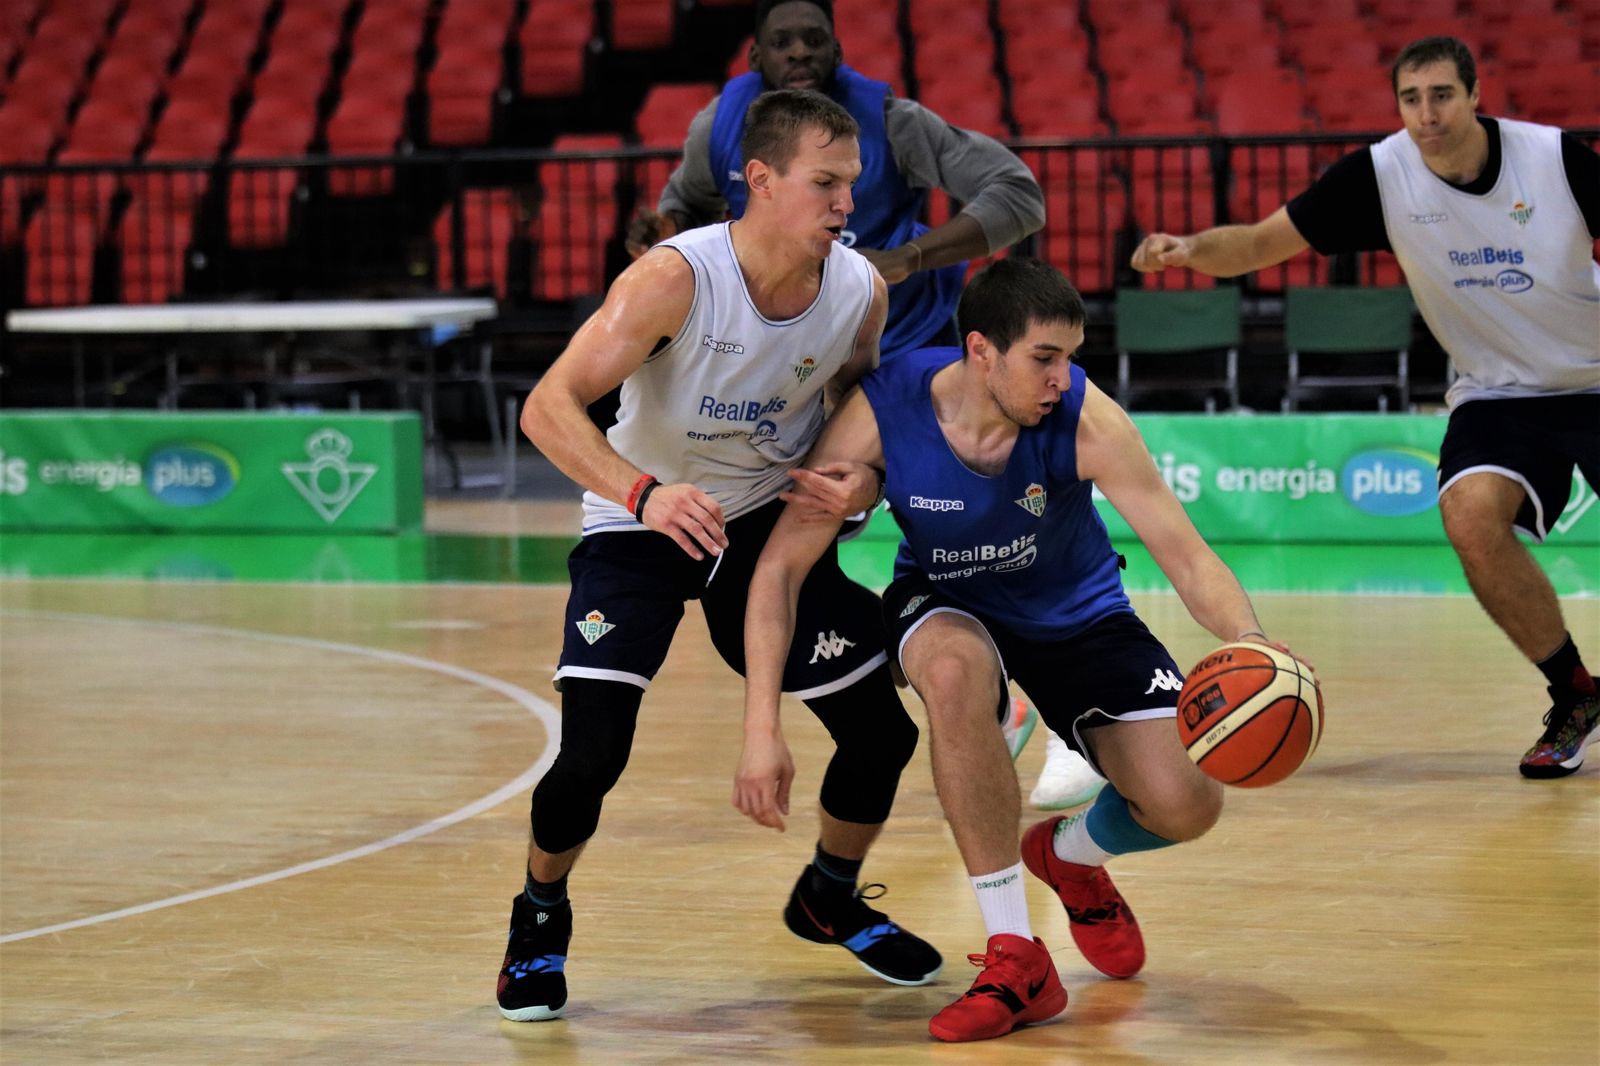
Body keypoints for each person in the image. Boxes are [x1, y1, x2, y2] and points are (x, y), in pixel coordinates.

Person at [738, 257, 1303, 1042]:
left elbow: (1186, 554)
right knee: (950, 671)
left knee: (1186, 804)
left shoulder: (1085, 416)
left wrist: (1252, 644)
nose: (1061, 378)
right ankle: (1015, 953)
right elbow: (779, 568)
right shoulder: (886, 408)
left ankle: (1070, 856)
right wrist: (760, 726)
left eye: (1071, 357)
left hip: (1080, 615)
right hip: (947, 601)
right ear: (980, 351)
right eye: (1044, 358)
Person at [499, 89, 944, 1023]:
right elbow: (545, 407)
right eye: (824, 184)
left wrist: (860, 489)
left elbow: (860, 416)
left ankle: (828, 892)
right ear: (760, 180)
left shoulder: (860, 288)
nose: (845, 205)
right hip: (641, 518)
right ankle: (540, 911)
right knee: (590, 756)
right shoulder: (676, 280)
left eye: (850, 185)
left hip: (761, 520)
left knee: (884, 734)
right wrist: (644, 494)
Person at [628, 0, 1102, 809]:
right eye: (784, 41)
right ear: (757, 54)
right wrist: (664, 226)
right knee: (807, 550)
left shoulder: (892, 119)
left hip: (906, 367)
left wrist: (912, 256)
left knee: (974, 538)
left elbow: (1017, 193)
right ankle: (976, 695)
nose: (802, 51)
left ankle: (1061, 711)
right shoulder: (722, 121)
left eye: (816, 37)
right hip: (798, 386)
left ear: (840, 45)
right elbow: (685, 198)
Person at [1131, 36, 1600, 779]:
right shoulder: (1382, 176)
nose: (1427, 115)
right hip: (1498, 390)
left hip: (1595, 374)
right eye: (1411, 99)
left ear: (1476, 96)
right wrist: (1190, 250)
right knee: (1470, 516)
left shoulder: (1556, 159)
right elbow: (1257, 244)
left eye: (1442, 95)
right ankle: (1575, 694)